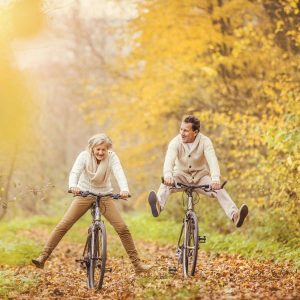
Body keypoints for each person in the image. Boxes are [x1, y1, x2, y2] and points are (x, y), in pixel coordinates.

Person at [32, 133, 150, 274]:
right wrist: (73, 186)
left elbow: (119, 173)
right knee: (63, 225)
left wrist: (124, 189)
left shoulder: (112, 157)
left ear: (108, 150)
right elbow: (75, 172)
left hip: (105, 195)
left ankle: (138, 265)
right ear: (92, 148)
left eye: (103, 150)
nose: (100, 152)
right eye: (97, 149)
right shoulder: (84, 156)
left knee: (123, 228)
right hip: (84, 194)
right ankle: (43, 257)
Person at [148, 115, 248, 227]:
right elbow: (169, 160)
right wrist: (168, 175)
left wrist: (215, 179)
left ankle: (235, 215)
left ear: (195, 132)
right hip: (180, 176)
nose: (182, 133)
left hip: (201, 177)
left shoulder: (205, 142)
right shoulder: (175, 142)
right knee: (165, 185)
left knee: (219, 190)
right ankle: (158, 205)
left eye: (185, 130)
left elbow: (212, 160)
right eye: (181, 129)